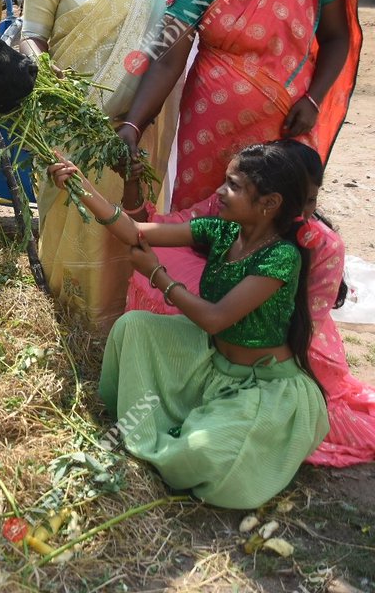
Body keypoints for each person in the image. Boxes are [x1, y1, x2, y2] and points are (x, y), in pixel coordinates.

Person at [50, 142, 328, 509]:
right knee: (135, 327)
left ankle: (195, 433)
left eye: (233, 185)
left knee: (199, 456)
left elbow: (215, 318)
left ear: (269, 203)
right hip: (211, 360)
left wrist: (157, 276)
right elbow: (134, 231)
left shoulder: (281, 257)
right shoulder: (223, 232)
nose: (219, 192)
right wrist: (80, 185)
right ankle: (168, 422)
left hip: (261, 387)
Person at [118, 0, 362, 212]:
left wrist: (315, 99)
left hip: (285, 123)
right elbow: (167, 59)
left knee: (274, 219)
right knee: (204, 221)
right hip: (207, 128)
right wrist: (134, 122)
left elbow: (337, 38)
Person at [123, 139, 375, 468]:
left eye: (309, 200)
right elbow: (147, 229)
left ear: (272, 201)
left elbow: (288, 321)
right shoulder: (226, 214)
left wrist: (161, 278)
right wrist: (115, 183)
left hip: (275, 353)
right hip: (224, 332)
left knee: (211, 442)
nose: (300, 214)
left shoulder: (310, 249)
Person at [21, 0, 193, 328]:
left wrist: (134, 119)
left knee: (119, 217)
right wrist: (52, 82)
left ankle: (117, 318)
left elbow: (170, 46)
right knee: (66, 208)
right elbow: (31, 35)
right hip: (63, 116)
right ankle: (67, 315)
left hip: (127, 124)